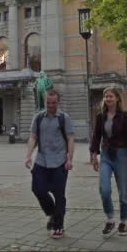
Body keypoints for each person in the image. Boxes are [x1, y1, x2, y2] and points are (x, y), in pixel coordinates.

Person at [24, 89, 75, 239]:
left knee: (59, 195)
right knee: (37, 189)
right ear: (45, 101)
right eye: (48, 102)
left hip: (60, 161)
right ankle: (53, 213)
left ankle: (58, 225)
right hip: (42, 160)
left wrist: (70, 159)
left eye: (53, 103)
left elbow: (71, 138)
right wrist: (28, 156)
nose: (50, 105)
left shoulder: (64, 118)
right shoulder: (38, 118)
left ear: (58, 102)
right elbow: (33, 137)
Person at [90, 86, 127, 237]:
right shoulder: (100, 117)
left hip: (122, 155)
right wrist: (94, 155)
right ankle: (110, 219)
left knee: (123, 192)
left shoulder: (125, 116)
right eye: (106, 97)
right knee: (104, 190)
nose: (108, 99)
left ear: (117, 98)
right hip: (106, 156)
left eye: (110, 96)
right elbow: (96, 137)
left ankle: (123, 221)